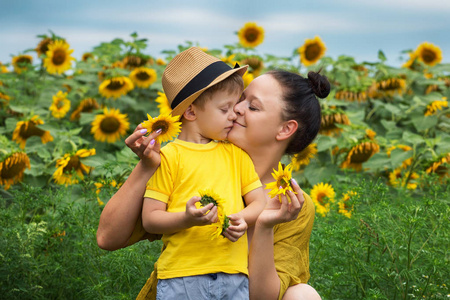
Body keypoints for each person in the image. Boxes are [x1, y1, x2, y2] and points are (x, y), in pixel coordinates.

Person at [97, 58, 330, 299]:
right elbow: (108, 237)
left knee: (302, 295)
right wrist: (147, 166)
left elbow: (263, 297)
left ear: (284, 129)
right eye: (240, 99)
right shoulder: (189, 161)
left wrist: (263, 225)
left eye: (253, 107)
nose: (237, 109)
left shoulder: (293, 206)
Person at [143, 47, 267, 299]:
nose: (235, 115)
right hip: (182, 276)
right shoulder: (169, 156)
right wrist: (186, 219)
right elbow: (150, 219)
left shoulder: (236, 154)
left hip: (233, 274)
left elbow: (259, 201)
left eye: (236, 106)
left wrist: (243, 218)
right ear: (191, 112)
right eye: (225, 109)